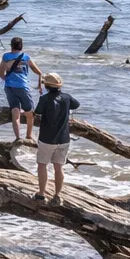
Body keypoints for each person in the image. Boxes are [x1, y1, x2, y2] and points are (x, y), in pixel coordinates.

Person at [33, 72, 80, 202]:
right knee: (58, 167)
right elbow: (76, 105)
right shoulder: (67, 97)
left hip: (47, 138)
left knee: (42, 165)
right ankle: (57, 195)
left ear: (46, 86)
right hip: (64, 138)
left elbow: (38, 111)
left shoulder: (45, 99)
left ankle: (41, 194)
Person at [0, 36, 42, 142]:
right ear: (21, 46)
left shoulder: (6, 56)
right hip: (22, 87)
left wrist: (6, 79)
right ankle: (28, 136)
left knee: (15, 112)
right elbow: (38, 71)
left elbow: (0, 72)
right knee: (30, 113)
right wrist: (40, 84)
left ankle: (18, 138)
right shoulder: (26, 57)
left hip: (9, 87)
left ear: (11, 46)